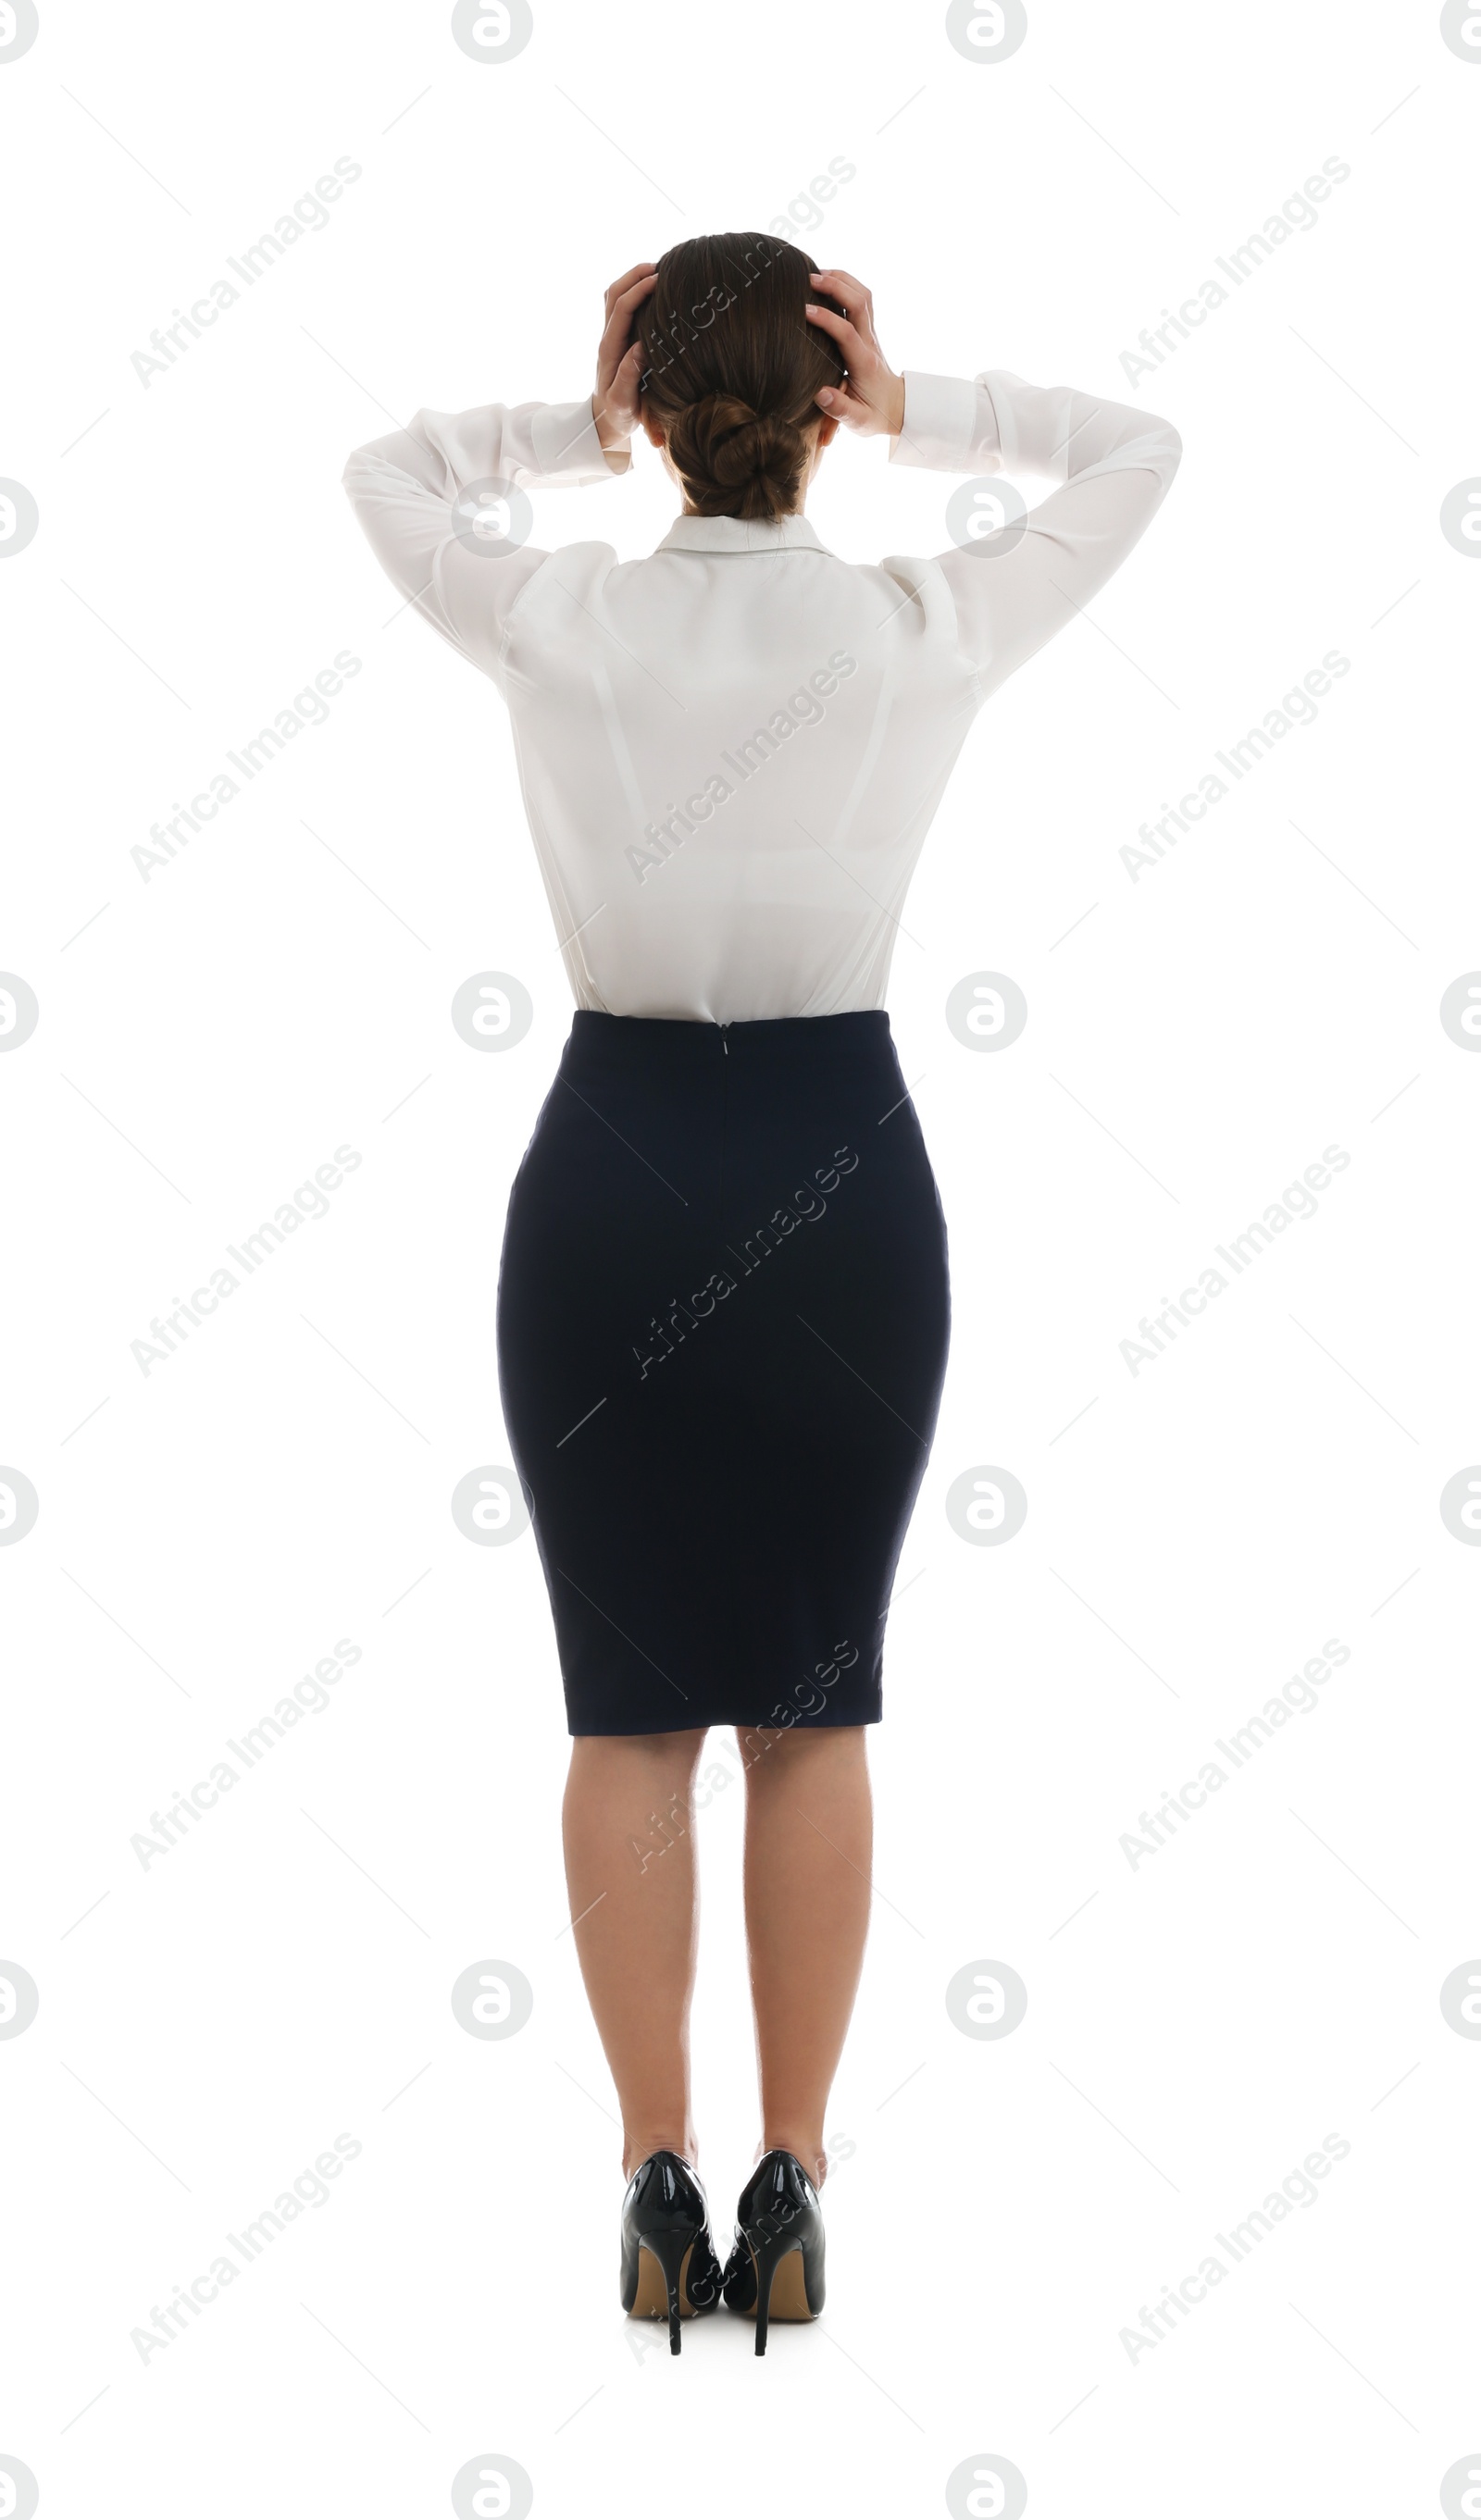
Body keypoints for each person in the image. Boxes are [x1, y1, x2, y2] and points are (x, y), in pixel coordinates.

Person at [342, 233, 1180, 2354]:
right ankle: (791, 2180)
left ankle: (651, 2179)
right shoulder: (919, 627)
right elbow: (1136, 453)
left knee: (626, 1704)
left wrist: (577, 420)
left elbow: (387, 474)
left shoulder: (553, 616)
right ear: (820, 407)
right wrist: (926, 410)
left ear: (651, 394)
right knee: (811, 1703)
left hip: (610, 1175)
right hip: (835, 1184)